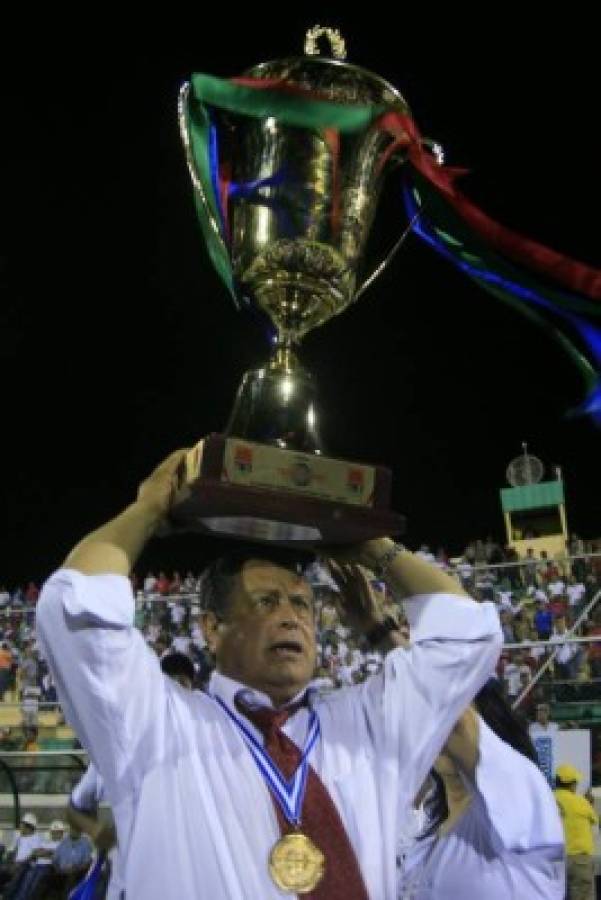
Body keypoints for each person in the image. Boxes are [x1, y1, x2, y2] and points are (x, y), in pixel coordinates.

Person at [36, 447, 502, 899]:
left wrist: (371, 546)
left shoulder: (364, 726)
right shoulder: (159, 724)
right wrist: (147, 511)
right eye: (266, 601)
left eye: (301, 603)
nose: (291, 617)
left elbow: (467, 636)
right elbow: (75, 607)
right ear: (212, 628)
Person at [396, 681, 565, 898]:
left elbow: (460, 720)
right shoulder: (425, 837)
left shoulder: (518, 790)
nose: (440, 731)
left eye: (449, 720)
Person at [554, 764, 598, 900]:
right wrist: (588, 802)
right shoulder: (581, 802)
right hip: (579, 861)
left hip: (554, 861)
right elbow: (594, 820)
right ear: (573, 784)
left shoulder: (547, 798)